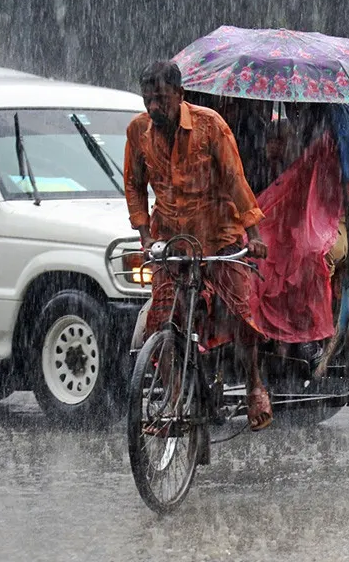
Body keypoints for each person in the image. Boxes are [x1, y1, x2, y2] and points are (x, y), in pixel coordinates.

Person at [123, 60, 273, 431]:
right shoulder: (138, 131)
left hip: (217, 233)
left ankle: (255, 386)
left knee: (240, 312)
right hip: (171, 237)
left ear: (180, 95)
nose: (153, 108)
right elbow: (133, 185)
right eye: (148, 100)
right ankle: (175, 403)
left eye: (161, 99)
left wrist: (253, 235)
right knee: (162, 319)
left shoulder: (211, 126)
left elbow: (236, 179)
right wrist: (144, 236)